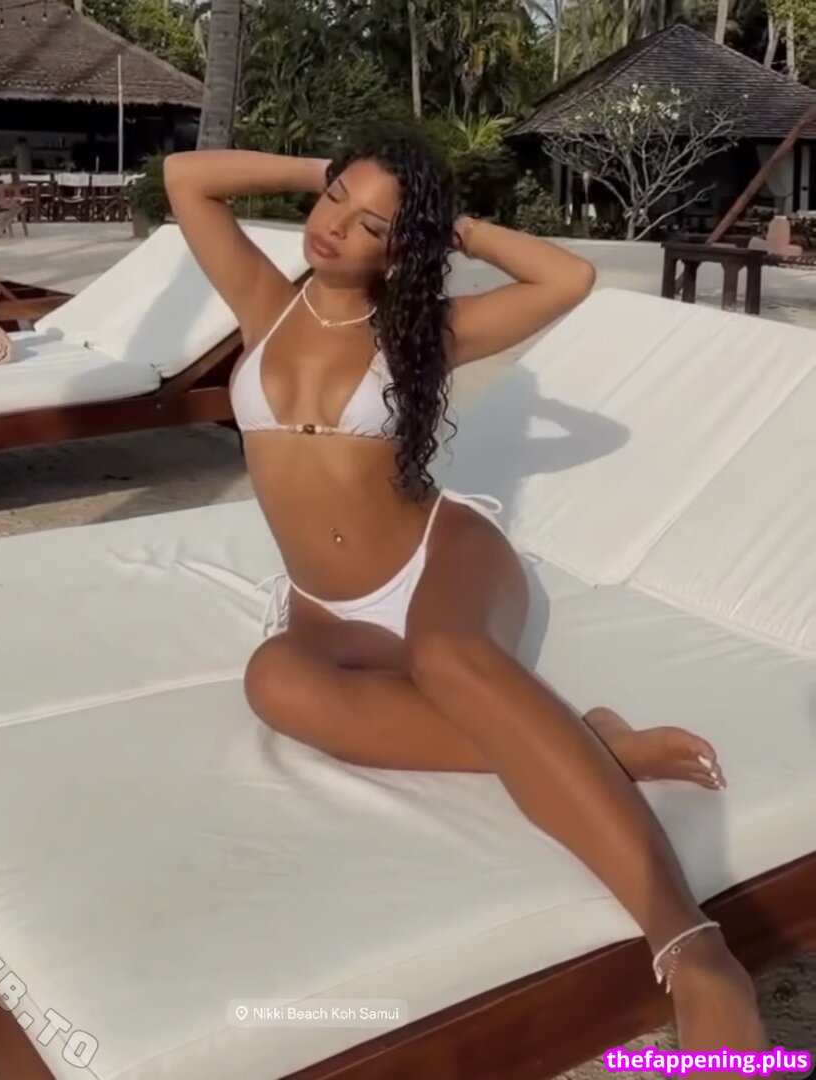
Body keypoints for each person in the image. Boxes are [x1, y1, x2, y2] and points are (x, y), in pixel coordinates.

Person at [164, 127, 768, 1067]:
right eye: (335, 202)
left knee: (449, 657)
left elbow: (567, 279)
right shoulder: (263, 304)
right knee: (274, 681)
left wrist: (447, 223)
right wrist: (331, 171)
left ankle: (693, 950)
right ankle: (592, 747)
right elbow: (186, 177)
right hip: (326, 610)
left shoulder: (423, 336)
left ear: (399, 250)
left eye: (373, 226)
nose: (335, 227)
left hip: (440, 560)